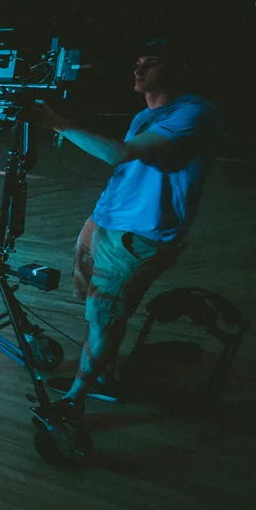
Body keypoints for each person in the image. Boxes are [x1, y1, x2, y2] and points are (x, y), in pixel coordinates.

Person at [30, 39, 222, 415]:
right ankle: (103, 377)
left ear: (176, 70)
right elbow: (124, 172)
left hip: (141, 236)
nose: (138, 70)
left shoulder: (194, 113)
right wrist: (95, 219)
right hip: (107, 223)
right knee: (98, 312)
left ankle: (75, 401)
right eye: (137, 62)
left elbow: (118, 153)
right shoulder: (143, 116)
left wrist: (58, 123)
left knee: (106, 317)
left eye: (150, 63)